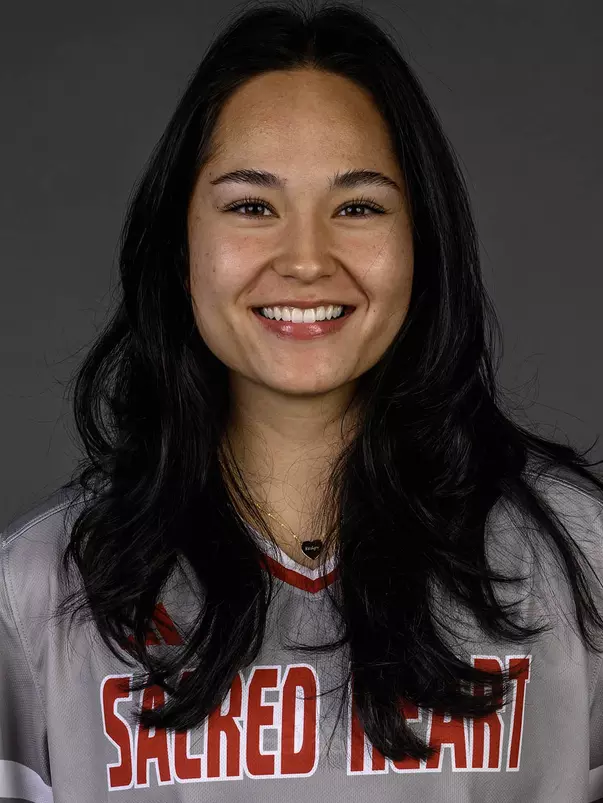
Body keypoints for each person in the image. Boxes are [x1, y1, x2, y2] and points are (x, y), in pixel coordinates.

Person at [2, 1, 603, 801]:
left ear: (421, 240)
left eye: (357, 206)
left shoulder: (579, 563)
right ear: (180, 247)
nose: (306, 259)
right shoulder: (37, 591)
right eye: (252, 206)